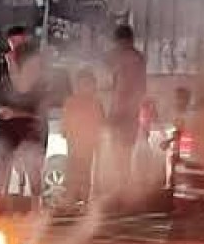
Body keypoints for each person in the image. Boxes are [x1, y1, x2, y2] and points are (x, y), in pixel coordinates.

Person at [0, 26, 46, 212]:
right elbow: (5, 89)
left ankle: (36, 210)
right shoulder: (8, 61)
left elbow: (22, 88)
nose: (15, 47)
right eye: (12, 43)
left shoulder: (34, 62)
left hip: (28, 121)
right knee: (1, 164)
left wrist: (12, 64)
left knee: (32, 166)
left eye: (19, 42)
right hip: (7, 121)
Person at [104, 24, 147, 196]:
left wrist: (114, 112)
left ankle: (122, 190)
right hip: (131, 113)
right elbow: (140, 88)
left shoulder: (124, 59)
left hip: (122, 113)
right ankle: (124, 189)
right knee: (125, 154)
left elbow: (121, 87)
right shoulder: (138, 58)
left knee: (119, 153)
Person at [61, 67, 105, 208]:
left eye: (89, 84)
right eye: (83, 84)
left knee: (87, 173)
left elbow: (101, 123)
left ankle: (86, 201)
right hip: (75, 144)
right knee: (73, 172)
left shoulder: (96, 103)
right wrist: (67, 133)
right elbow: (65, 124)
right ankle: (71, 201)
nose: (87, 87)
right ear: (78, 85)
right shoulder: (71, 102)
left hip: (89, 144)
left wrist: (98, 140)